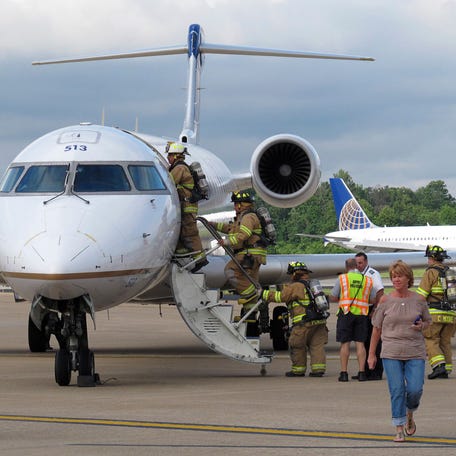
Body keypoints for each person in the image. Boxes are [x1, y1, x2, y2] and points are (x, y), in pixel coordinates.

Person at [368, 260, 431, 443]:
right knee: (396, 389)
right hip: (391, 351)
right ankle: (399, 427)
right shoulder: (385, 300)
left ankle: (410, 411)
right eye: (393, 276)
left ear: (408, 278)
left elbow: (428, 321)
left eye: (399, 276)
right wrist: (371, 355)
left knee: (415, 389)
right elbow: (376, 329)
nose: (396, 279)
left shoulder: (419, 299)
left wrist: (422, 325)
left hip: (415, 351)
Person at [262, 262, 329, 377]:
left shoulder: (295, 286)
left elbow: (281, 297)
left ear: (294, 274)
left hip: (303, 323)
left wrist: (263, 294)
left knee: (297, 345)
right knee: (317, 346)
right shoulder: (312, 285)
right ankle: (318, 370)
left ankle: (298, 370)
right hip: (320, 321)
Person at [209, 190, 267, 321]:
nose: (234, 207)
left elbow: (244, 234)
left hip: (249, 254)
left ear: (241, 205)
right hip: (253, 255)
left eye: (236, 204)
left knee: (230, 271)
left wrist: (227, 241)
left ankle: (253, 294)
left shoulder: (248, 217)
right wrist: (212, 224)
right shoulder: (242, 217)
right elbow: (230, 229)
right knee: (249, 281)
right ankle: (250, 315)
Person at [330, 257, 375, 382]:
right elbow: (372, 299)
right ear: (357, 266)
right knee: (360, 344)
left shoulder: (342, 279)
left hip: (346, 313)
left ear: (346, 267)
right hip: (361, 314)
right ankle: (362, 373)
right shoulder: (367, 280)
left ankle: (344, 373)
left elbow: (333, 297)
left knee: (345, 344)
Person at [167, 142, 208, 273]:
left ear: (176, 155)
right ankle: (182, 253)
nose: (168, 157)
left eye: (170, 155)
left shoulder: (179, 168)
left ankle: (200, 259)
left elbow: (169, 181)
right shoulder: (180, 167)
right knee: (182, 231)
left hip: (187, 205)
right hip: (185, 204)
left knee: (190, 231)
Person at [416, 245, 456, 379]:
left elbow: (422, 296)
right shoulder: (451, 272)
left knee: (431, 339)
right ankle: (447, 368)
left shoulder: (430, 272)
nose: (428, 260)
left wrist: (415, 311)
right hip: (451, 315)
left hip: (435, 314)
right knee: (445, 342)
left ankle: (439, 367)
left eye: (428, 257)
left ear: (432, 258)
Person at [355, 252, 384, 380]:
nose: (359, 265)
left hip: (371, 309)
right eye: (357, 263)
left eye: (360, 263)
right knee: (364, 341)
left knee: (375, 342)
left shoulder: (372, 274)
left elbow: (380, 291)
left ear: (366, 262)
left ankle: (376, 372)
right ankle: (365, 370)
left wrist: (376, 310)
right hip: (362, 310)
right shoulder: (357, 274)